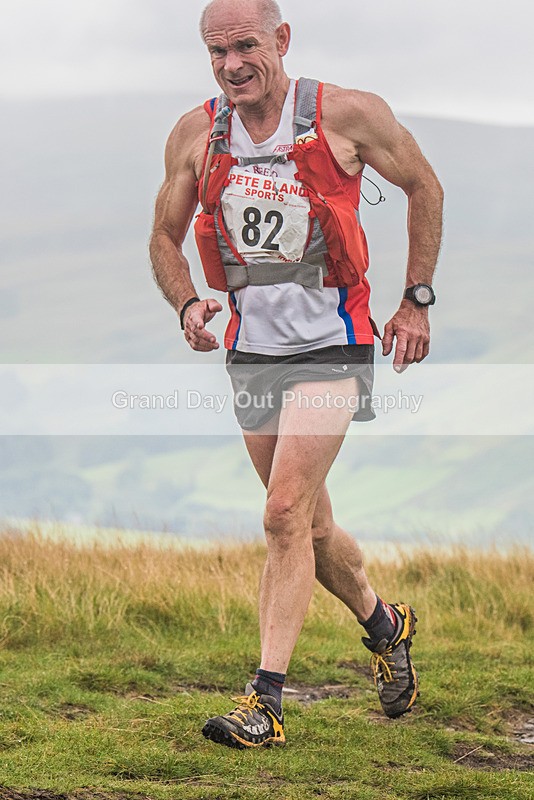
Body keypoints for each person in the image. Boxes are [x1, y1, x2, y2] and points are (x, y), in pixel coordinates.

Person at [149, 0, 443, 749]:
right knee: (310, 525)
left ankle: (266, 704)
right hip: (251, 351)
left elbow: (424, 187)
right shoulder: (197, 133)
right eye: (216, 52)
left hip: (332, 347)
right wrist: (185, 302)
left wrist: (415, 302)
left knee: (282, 515)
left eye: (245, 45)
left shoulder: (345, 114)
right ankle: (386, 624)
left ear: (282, 40)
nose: (231, 64)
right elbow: (163, 234)